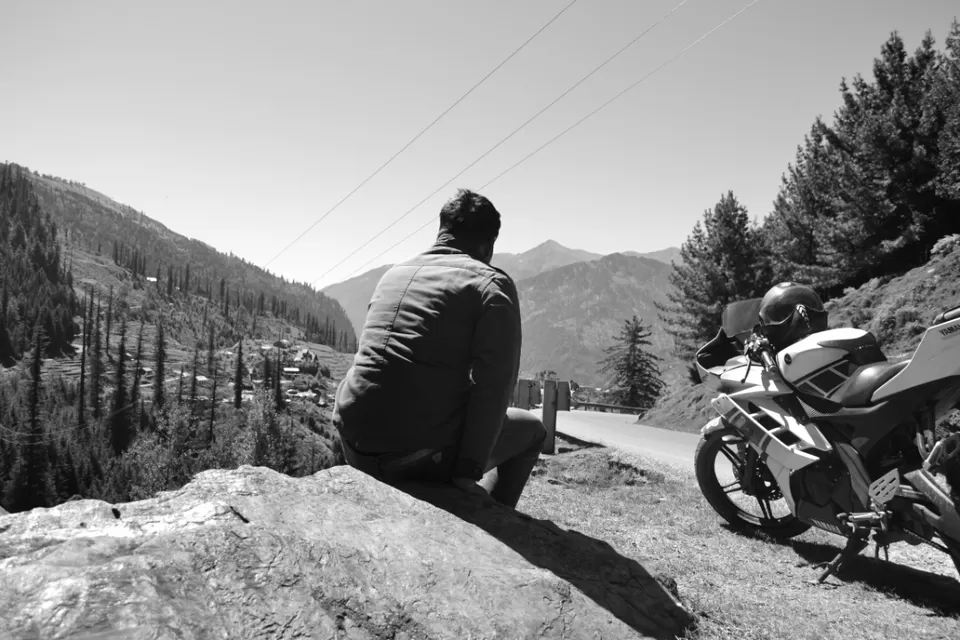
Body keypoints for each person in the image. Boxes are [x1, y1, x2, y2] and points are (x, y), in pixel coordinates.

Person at [332, 188, 546, 509]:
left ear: (442, 230)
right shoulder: (490, 285)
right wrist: (467, 469)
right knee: (532, 431)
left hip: (351, 441)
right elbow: (495, 386)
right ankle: (488, 516)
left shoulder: (394, 274)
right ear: (488, 245)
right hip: (411, 455)